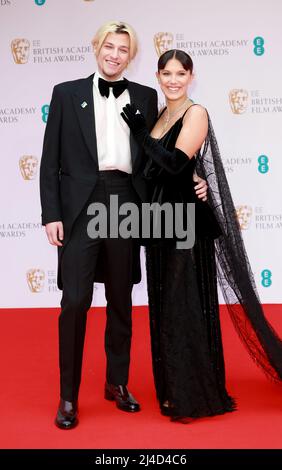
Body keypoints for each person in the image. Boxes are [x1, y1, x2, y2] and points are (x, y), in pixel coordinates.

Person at [40, 22, 208, 430]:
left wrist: (194, 177)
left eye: (123, 50)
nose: (115, 55)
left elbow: (165, 149)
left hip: (127, 202)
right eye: (109, 47)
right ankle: (68, 396)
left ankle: (117, 383)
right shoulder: (66, 93)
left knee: (120, 298)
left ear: (131, 57)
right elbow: (49, 161)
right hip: (80, 205)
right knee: (75, 300)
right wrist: (51, 214)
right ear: (97, 48)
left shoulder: (148, 96)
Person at [120, 49, 282, 422]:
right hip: (159, 220)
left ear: (191, 76)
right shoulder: (162, 114)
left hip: (186, 221)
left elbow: (176, 162)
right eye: (166, 73)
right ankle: (175, 390)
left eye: (180, 73)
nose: (173, 80)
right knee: (164, 304)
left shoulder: (196, 113)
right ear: (158, 77)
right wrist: (192, 175)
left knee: (184, 304)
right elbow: (159, 170)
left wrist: (143, 134)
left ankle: (194, 394)